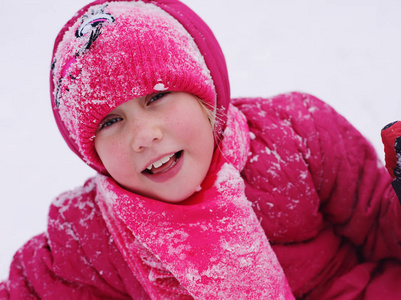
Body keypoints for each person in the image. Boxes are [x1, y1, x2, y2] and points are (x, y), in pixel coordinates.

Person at [0, 0, 400, 299]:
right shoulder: (88, 235)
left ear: (206, 95)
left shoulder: (295, 134)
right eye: (109, 122)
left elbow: (385, 226)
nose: (143, 135)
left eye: (156, 97)